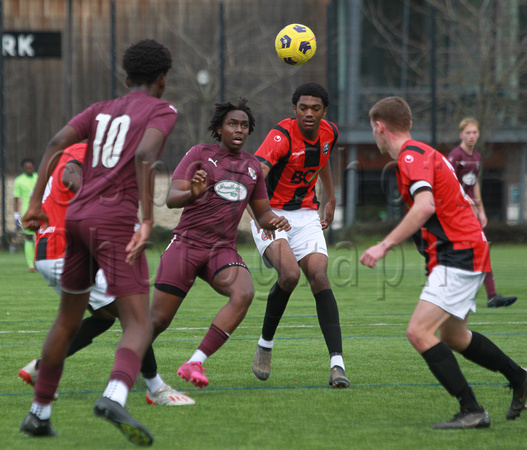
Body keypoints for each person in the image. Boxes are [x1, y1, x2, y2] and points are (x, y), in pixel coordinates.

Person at [19, 39, 177, 446]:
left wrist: (35, 204)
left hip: (77, 218)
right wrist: (146, 220)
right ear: (162, 80)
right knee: (139, 321)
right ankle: (115, 396)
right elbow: (145, 156)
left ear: (126, 79)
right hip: (115, 221)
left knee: (67, 318)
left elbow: (56, 143)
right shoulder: (162, 109)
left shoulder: (100, 109)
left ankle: (39, 414)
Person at [360, 96, 527, 429]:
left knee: (419, 332)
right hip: (463, 250)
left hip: (459, 252)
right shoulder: (424, 153)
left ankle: (472, 410)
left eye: (372, 129)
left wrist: (384, 245)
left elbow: (425, 207)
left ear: (380, 127)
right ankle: (520, 377)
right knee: (454, 335)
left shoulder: (410, 157)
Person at [18, 142, 194, 408]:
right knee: (136, 318)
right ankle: (156, 388)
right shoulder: (83, 152)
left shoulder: (74, 153)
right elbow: (71, 178)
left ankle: (41, 370)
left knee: (101, 318)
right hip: (64, 250)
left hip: (48, 253)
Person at [149, 98, 290, 389]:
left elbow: (262, 213)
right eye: (233, 124)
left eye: (244, 126)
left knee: (244, 292)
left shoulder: (252, 167)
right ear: (219, 128)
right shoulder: (199, 154)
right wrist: (193, 192)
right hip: (186, 243)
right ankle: (131, 360)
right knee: (158, 320)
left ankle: (195, 361)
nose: (239, 129)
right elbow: (172, 198)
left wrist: (275, 220)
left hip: (222, 249)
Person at [249, 82, 349, 388]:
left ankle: (337, 364)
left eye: (315, 108)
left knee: (319, 275)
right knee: (290, 275)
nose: (309, 113)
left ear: (324, 112)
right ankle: (265, 344)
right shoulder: (280, 136)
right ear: (294, 110)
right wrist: (262, 218)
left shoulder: (329, 132)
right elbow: (252, 180)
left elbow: (324, 160)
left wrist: (330, 199)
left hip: (305, 215)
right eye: (303, 107)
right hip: (270, 212)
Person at [448, 117, 517, 308]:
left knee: (481, 250)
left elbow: (474, 184)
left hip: (471, 212)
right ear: (461, 134)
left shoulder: (476, 156)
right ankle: (467, 295)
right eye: (468, 133)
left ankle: (490, 296)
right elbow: (448, 183)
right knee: (471, 252)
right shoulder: (455, 155)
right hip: (457, 212)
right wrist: (464, 199)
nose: (471, 136)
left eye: (474, 133)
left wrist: (481, 210)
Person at [13, 158, 38, 272]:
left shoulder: (38, 177)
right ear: (23, 169)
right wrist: (16, 216)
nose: (29, 169)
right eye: (27, 168)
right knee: (28, 238)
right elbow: (16, 199)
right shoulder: (19, 181)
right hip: (26, 213)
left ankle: (38, 262)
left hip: (39, 212)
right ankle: (30, 265)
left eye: (31, 167)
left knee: (40, 237)